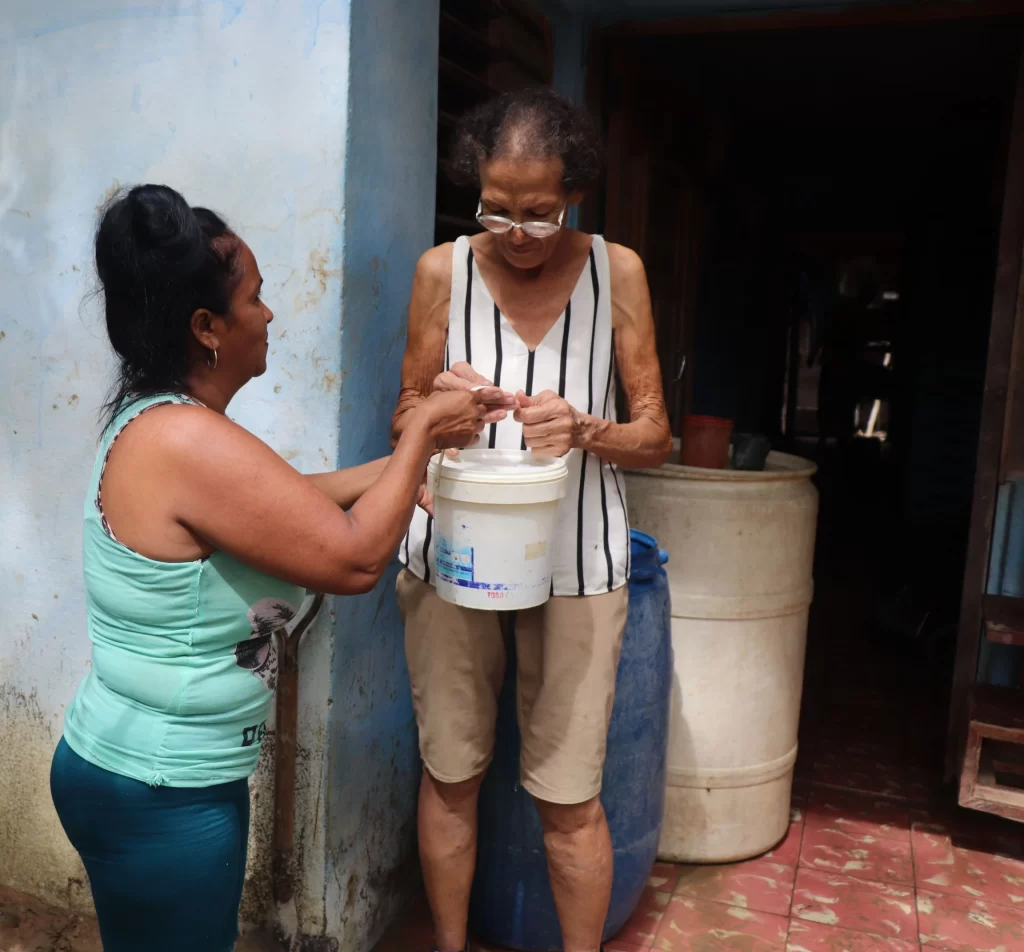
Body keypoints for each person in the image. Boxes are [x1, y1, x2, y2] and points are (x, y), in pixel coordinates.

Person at [48, 184, 499, 952]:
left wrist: (394, 468)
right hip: (164, 790)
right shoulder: (188, 441)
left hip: (128, 769)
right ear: (206, 329)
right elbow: (353, 558)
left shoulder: (156, 421)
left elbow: (281, 510)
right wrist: (423, 430)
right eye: (255, 298)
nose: (270, 315)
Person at [392, 89, 672, 952]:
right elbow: (403, 411)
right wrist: (439, 412)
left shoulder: (616, 272)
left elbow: (657, 435)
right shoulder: (442, 271)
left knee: (569, 799)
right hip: (456, 555)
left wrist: (586, 430)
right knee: (451, 778)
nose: (518, 233)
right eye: (498, 210)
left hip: (577, 563)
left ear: (575, 191)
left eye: (540, 213)